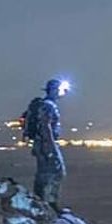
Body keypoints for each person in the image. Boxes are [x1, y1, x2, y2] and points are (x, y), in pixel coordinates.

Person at [22, 78, 68, 210]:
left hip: (41, 144)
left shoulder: (44, 105)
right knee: (55, 172)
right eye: (60, 89)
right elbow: (45, 126)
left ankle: (42, 200)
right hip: (46, 144)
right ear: (54, 90)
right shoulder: (48, 106)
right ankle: (49, 202)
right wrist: (51, 145)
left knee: (44, 172)